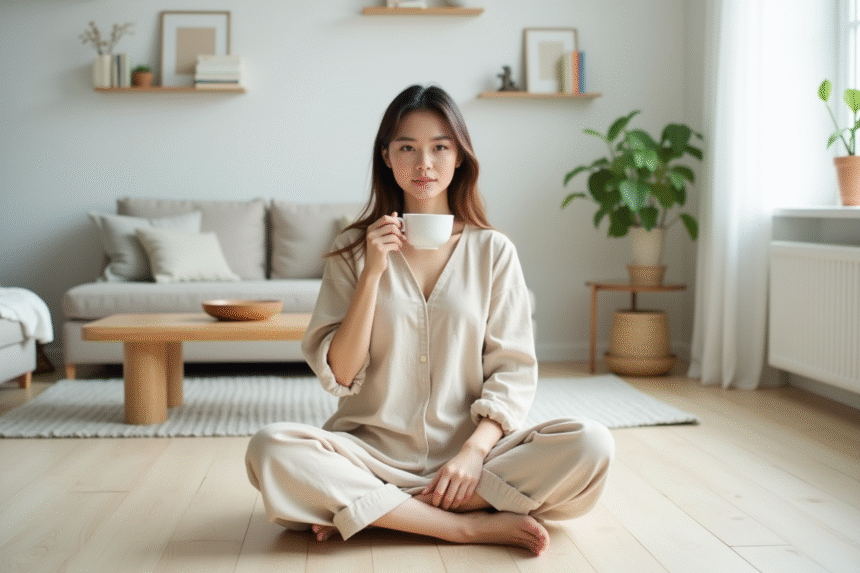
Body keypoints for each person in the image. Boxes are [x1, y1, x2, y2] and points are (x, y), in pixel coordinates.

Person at [245, 84, 614, 556]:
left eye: (440, 147)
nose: (424, 164)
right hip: (369, 456)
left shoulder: (493, 250)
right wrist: (373, 272)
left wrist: (474, 452)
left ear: (460, 156)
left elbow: (513, 370)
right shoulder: (353, 251)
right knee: (271, 448)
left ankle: (380, 512)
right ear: (386, 157)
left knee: (591, 444)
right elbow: (339, 374)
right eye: (407, 148)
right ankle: (464, 524)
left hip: (472, 460)